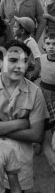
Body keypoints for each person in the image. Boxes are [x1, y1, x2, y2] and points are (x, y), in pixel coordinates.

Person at [0, 40, 48, 192]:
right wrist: (22, 123)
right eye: (13, 60)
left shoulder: (35, 92)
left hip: (19, 166)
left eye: (24, 61)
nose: (20, 66)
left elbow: (36, 134)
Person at [39, 33, 55, 170]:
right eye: (48, 43)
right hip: (43, 93)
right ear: (44, 45)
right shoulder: (42, 59)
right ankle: (41, 142)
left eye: (54, 44)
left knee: (54, 122)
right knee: (43, 120)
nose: (51, 47)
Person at [12, 16, 41, 81]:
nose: (13, 28)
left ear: (22, 31)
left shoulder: (31, 42)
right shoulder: (16, 39)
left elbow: (37, 58)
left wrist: (35, 73)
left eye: (15, 27)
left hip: (28, 70)